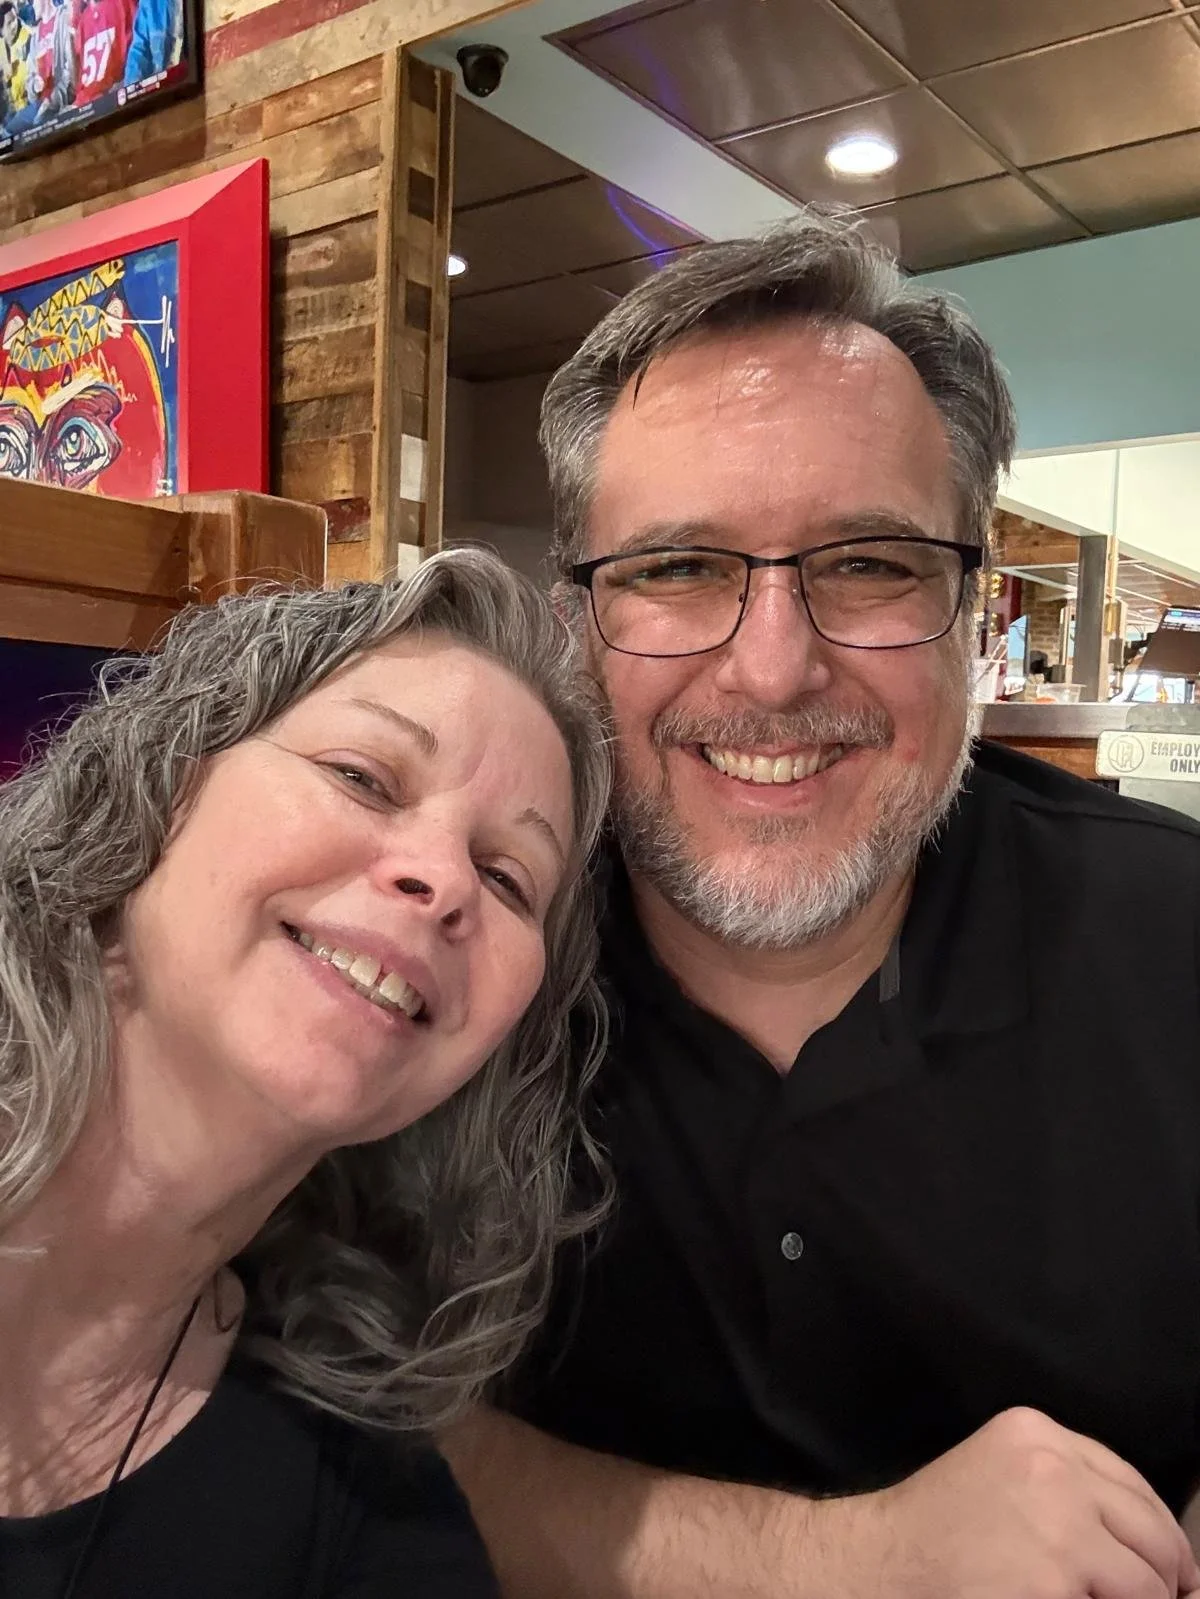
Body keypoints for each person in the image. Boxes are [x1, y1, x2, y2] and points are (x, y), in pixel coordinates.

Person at [444, 215, 1200, 1599]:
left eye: (868, 562)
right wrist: (851, 1558)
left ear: (970, 607)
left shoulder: (1175, 937)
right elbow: (335, 1413)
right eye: (679, 569)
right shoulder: (440, 955)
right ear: (576, 625)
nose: (775, 670)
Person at [0, 548, 612, 1597]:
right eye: (363, 777)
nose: (444, 880)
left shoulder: (362, 1504)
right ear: (160, 778)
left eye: (509, 877)